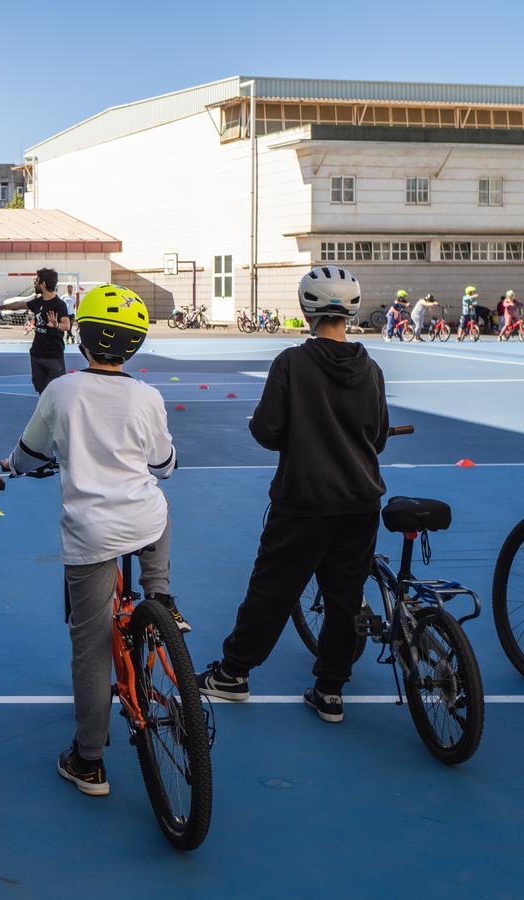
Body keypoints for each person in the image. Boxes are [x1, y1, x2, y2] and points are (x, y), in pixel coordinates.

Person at [3, 284, 186, 796]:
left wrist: (15, 468)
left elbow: (28, 453)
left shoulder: (61, 390)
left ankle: (89, 761)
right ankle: (162, 595)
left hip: (91, 532)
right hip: (142, 519)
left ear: (79, 336)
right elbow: (164, 464)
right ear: (135, 345)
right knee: (157, 507)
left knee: (90, 648)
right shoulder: (147, 396)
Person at [196, 266, 389, 725]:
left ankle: (234, 673)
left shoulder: (292, 362)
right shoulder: (371, 368)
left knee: (273, 589)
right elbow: (377, 437)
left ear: (307, 308)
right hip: (361, 501)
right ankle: (330, 691)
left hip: (304, 500)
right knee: (345, 596)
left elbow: (267, 430)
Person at [0, 268, 72, 394]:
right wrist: (0, 307)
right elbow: (19, 305)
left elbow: (66, 325)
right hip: (37, 355)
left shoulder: (59, 304)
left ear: (43, 284)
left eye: (37, 280)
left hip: (53, 357)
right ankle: (44, 413)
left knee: (57, 392)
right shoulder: (37, 302)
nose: (34, 283)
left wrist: (56, 325)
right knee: (41, 390)